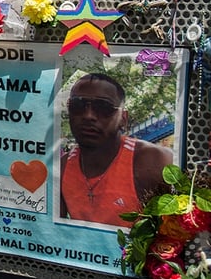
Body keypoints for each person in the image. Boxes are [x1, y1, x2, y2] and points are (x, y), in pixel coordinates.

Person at [60, 73, 173, 227]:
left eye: (103, 107)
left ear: (123, 119)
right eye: (78, 106)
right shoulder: (62, 167)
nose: (88, 116)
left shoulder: (153, 161)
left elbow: (177, 231)